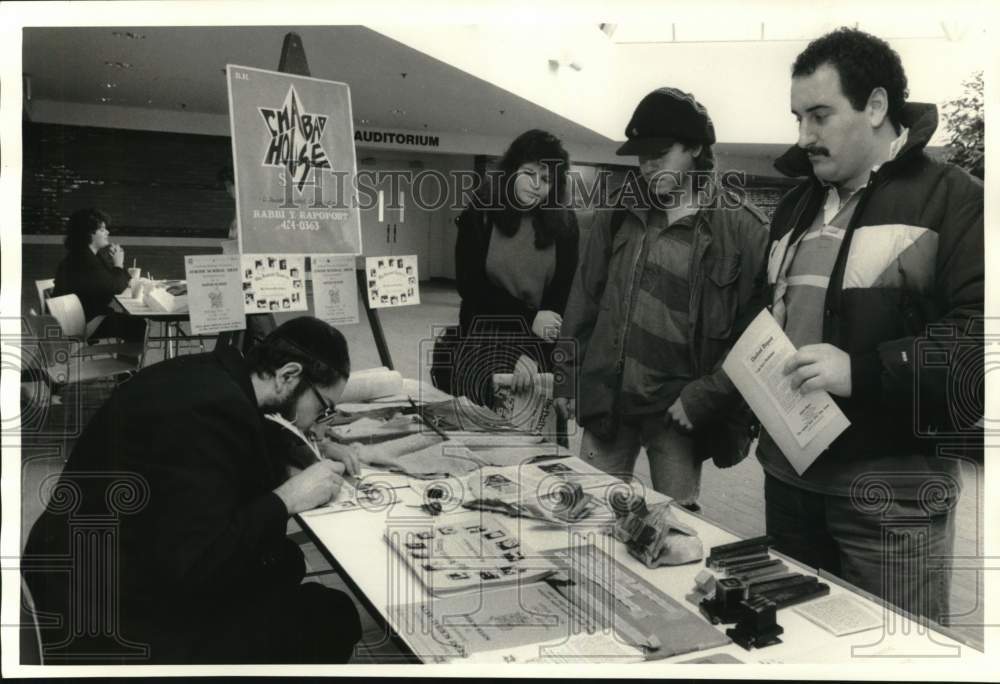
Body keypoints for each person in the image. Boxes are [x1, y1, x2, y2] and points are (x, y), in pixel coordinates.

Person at [762, 28, 983, 624]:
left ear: (877, 106)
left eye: (820, 115)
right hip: (790, 480)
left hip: (892, 497)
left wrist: (860, 371)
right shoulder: (794, 206)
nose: (803, 135)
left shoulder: (956, 201)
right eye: (797, 117)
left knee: (896, 652)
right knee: (796, 652)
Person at [23, 317, 363, 663]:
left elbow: (240, 438)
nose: (317, 423)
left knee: (285, 562)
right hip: (108, 621)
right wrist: (287, 499)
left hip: (86, 571)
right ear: (289, 375)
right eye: (323, 409)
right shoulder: (210, 415)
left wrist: (307, 448)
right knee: (331, 616)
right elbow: (198, 565)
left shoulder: (211, 375)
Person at [554, 88, 769, 510]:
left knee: (673, 531)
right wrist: (566, 376)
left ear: (694, 149)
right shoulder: (618, 213)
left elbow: (757, 333)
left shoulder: (743, 230)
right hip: (608, 401)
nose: (647, 165)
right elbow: (584, 300)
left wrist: (705, 398)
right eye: (641, 154)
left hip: (677, 413)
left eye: (660, 152)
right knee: (586, 514)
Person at [452, 129, 579, 409]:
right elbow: (470, 286)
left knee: (536, 443)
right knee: (478, 438)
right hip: (482, 344)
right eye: (529, 173)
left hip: (539, 352)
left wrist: (530, 354)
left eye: (546, 179)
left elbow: (559, 302)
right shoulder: (481, 210)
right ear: (511, 171)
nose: (536, 185)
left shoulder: (566, 225)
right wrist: (526, 322)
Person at [52, 208, 146, 342]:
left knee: (131, 321)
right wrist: (118, 264)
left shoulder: (87, 255)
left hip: (81, 316)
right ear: (88, 234)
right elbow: (115, 287)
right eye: (102, 230)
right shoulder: (84, 260)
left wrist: (117, 264)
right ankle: (126, 363)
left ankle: (125, 361)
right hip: (81, 323)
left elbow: (118, 280)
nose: (107, 232)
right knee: (137, 324)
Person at [218, 164, 277, 353]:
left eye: (229, 185)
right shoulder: (240, 208)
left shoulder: (251, 208)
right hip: (241, 274)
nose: (227, 190)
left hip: (251, 274)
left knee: (258, 325)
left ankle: (262, 360)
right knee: (247, 325)